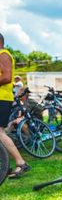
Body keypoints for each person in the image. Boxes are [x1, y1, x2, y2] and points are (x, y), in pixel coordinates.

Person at [0, 33, 30, 179]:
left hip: (2, 98)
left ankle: (20, 162)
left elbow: (6, 77)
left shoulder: (3, 54)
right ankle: (5, 165)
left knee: (0, 133)